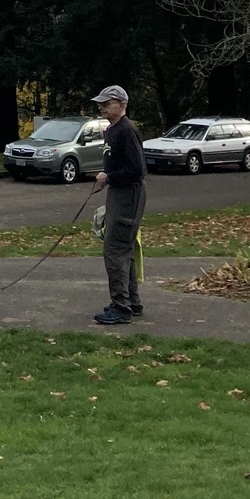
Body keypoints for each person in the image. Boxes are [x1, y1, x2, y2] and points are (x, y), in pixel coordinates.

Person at [91, 84, 146, 324]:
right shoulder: (113, 130)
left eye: (107, 103)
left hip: (128, 196)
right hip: (119, 193)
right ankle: (131, 303)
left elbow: (137, 170)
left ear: (122, 105)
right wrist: (109, 177)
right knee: (124, 249)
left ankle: (121, 308)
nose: (101, 107)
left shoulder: (127, 130)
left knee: (114, 250)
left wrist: (109, 177)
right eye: (100, 104)